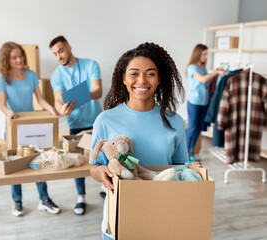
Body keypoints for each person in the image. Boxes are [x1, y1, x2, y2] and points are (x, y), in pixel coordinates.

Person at [89, 42, 192, 240]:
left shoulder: (175, 121)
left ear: (159, 78)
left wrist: (192, 167)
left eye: (150, 73)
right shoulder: (105, 119)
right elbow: (94, 167)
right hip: (120, 212)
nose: (142, 80)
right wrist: (99, 172)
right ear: (124, 79)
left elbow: (180, 166)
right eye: (134, 73)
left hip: (163, 211)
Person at [0, 41, 60, 217]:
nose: (19, 60)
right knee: (15, 165)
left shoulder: (31, 75)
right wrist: (8, 112)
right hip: (13, 125)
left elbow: (40, 99)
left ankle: (44, 199)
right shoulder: (2, 78)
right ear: (6, 60)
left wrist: (50, 108)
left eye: (20, 56)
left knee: (39, 161)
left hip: (31, 125)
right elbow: (2, 105)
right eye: (14, 57)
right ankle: (17, 202)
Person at [49, 35, 103, 215]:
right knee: (77, 162)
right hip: (75, 124)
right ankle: (81, 198)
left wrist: (79, 95)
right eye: (55, 54)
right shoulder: (56, 75)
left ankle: (106, 187)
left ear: (69, 47)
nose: (59, 56)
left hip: (96, 120)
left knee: (102, 157)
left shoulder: (90, 65)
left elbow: (97, 91)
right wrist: (61, 110)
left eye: (61, 50)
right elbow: (58, 100)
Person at [185, 44, 225, 162]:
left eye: (207, 54)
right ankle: (186, 153)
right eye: (204, 54)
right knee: (192, 128)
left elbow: (208, 81)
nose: (206, 56)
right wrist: (215, 72)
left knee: (198, 129)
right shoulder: (192, 67)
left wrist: (217, 74)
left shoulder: (203, 68)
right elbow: (202, 79)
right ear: (198, 53)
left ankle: (191, 150)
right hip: (194, 103)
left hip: (204, 103)